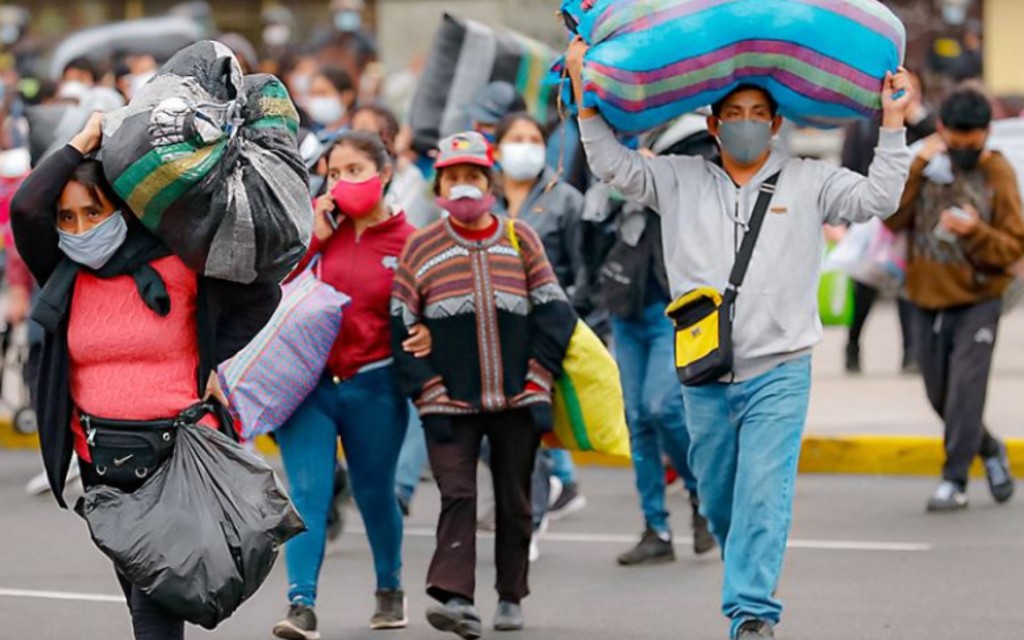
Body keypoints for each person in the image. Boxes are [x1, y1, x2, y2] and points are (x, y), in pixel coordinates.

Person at [567, 37, 914, 639]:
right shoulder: (677, 179)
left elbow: (877, 198)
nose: (747, 125)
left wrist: (891, 125)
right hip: (703, 370)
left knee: (763, 495)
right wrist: (585, 97)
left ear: (776, 123)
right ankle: (743, 569)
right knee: (721, 498)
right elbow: (612, 166)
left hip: (780, 370)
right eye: (735, 115)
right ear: (714, 123)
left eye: (758, 115)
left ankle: (751, 612)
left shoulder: (812, 181)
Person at [9, 114, 280, 640]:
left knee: (153, 607)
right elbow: (25, 207)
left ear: (122, 208)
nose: (82, 228)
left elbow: (262, 292)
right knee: (140, 594)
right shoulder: (62, 273)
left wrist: (208, 358)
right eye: (67, 218)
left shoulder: (179, 262)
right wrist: (81, 144)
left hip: (175, 456)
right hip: (101, 462)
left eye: (94, 211)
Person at [391, 131, 575, 637]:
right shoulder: (420, 247)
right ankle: (456, 598)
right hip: (448, 403)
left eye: (473, 177)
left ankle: (511, 595)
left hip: (518, 399)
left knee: (515, 500)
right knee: (457, 494)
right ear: (440, 188)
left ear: (488, 183)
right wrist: (426, 387)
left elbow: (556, 313)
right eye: (454, 178)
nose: (464, 187)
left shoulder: (522, 239)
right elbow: (400, 322)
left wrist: (538, 378)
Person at [271, 131, 429, 640]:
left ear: (384, 174)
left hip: (375, 385)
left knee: (374, 493)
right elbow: (269, 288)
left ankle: (389, 588)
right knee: (308, 495)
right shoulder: (315, 231)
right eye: (334, 174)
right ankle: (301, 606)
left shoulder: (411, 243)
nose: (341, 183)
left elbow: (428, 313)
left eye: (354, 171)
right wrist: (311, 236)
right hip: (308, 384)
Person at [884, 87, 1023, 512]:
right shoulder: (925, 166)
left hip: (980, 298)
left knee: (966, 388)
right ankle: (991, 448)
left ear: (987, 133)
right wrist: (920, 165)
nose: (965, 152)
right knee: (938, 393)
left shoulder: (997, 172)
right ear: (942, 130)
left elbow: (1014, 246)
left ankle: (954, 479)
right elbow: (892, 219)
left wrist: (975, 232)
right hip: (925, 297)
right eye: (956, 143)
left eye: (973, 144)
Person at [589, 145, 716, 564]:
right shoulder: (607, 156)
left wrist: (658, 174)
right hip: (624, 307)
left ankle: (701, 494)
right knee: (637, 419)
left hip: (669, 311)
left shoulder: (685, 151)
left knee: (662, 407)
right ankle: (655, 528)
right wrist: (613, 184)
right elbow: (587, 224)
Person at [492, 111, 589, 543]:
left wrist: (569, 319)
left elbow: (584, 268)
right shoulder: (481, 199)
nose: (525, 146)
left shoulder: (565, 199)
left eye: (533, 138)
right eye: (517, 138)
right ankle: (533, 492)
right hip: (488, 333)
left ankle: (527, 522)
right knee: (489, 433)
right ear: (497, 148)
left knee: (529, 423)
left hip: (544, 332)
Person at [841, 70, 937, 375]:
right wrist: (846, 222)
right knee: (865, 289)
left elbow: (939, 139)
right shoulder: (864, 126)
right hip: (872, 220)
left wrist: (915, 113)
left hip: (911, 220)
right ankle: (853, 345)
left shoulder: (922, 124)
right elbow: (849, 167)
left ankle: (910, 353)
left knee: (906, 287)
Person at [307, 66, 356, 143]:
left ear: (346, 97)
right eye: (312, 94)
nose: (317, 100)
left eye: (322, 93)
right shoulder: (309, 136)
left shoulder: (357, 133)